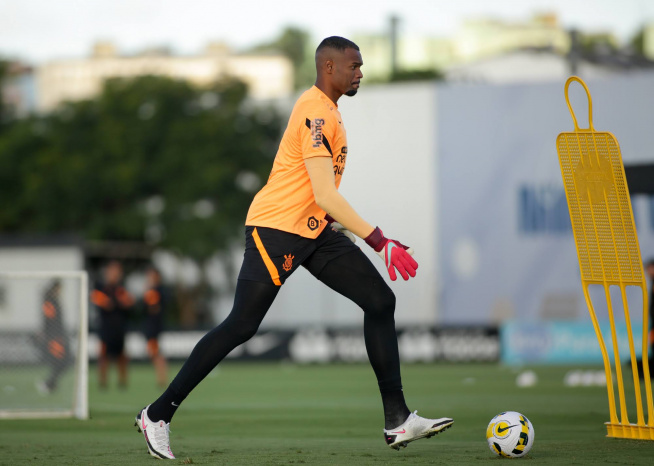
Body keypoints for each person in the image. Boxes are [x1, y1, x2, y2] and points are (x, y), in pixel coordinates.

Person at [135, 36, 452, 460]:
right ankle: (157, 415)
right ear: (328, 67)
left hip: (314, 231)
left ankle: (397, 420)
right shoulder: (316, 113)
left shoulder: (330, 112)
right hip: (276, 230)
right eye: (353, 65)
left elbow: (315, 196)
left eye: (360, 66)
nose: (360, 72)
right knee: (242, 325)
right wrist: (379, 240)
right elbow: (324, 192)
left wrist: (346, 229)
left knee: (379, 301)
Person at [91, 260, 134, 389]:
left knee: (122, 355)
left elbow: (129, 303)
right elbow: (102, 302)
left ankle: (122, 382)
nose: (115, 274)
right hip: (106, 327)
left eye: (117, 271)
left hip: (119, 327)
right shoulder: (100, 287)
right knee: (103, 355)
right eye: (112, 271)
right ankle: (103, 382)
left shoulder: (121, 289)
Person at [36, 279, 72, 394]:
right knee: (62, 361)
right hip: (54, 337)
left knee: (66, 361)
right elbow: (49, 319)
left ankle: (50, 383)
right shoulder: (50, 301)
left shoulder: (52, 300)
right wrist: (49, 334)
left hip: (59, 336)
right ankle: (48, 384)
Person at [141, 266, 168, 387]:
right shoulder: (156, 290)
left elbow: (153, 308)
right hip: (151, 325)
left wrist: (148, 291)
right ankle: (161, 377)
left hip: (154, 326)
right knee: (153, 352)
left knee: (155, 352)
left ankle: (162, 378)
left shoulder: (155, 291)